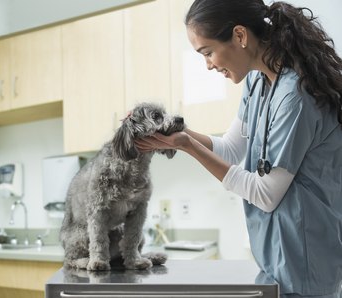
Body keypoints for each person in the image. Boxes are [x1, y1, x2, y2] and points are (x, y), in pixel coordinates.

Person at [135, 0, 342, 297]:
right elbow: (230, 148)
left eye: (208, 52)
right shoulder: (257, 82)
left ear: (240, 36)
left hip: (307, 264)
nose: (208, 64)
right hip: (276, 262)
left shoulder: (296, 96)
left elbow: (266, 194)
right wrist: (171, 132)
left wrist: (189, 146)